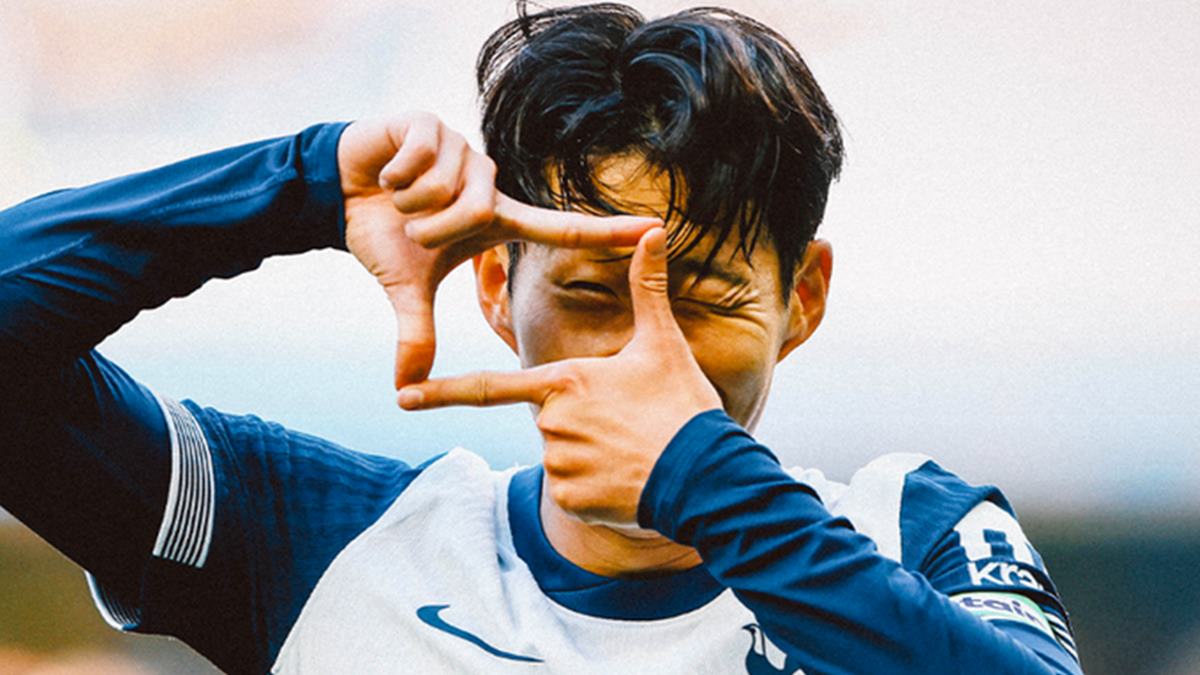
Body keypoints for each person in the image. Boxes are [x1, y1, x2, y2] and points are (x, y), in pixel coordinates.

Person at [0, 3, 1082, 674]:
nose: (642, 359)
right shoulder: (317, 540)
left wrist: (707, 483)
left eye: (703, 296)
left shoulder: (915, 531)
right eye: (592, 292)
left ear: (802, 298)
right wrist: (298, 184)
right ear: (492, 286)